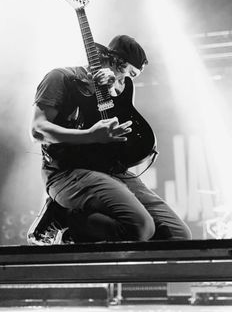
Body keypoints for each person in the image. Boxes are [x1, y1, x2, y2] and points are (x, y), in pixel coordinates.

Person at [27, 35, 191, 245]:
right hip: (67, 172)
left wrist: (111, 94)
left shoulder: (121, 88)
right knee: (141, 227)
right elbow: (37, 130)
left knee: (179, 236)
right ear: (113, 61)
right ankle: (65, 218)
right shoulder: (61, 77)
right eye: (128, 73)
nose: (126, 82)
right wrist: (90, 136)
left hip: (112, 171)